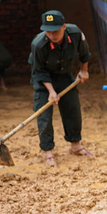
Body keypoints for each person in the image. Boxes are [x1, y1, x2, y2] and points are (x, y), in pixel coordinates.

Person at [29, 10, 91, 167]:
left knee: (72, 108)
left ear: (64, 26)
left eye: (55, 31)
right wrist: (51, 92)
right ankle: (48, 153)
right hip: (43, 81)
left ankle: (75, 146)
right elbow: (40, 71)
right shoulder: (39, 44)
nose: (52, 36)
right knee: (44, 115)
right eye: (48, 32)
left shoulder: (75, 33)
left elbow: (85, 54)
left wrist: (84, 70)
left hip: (64, 76)